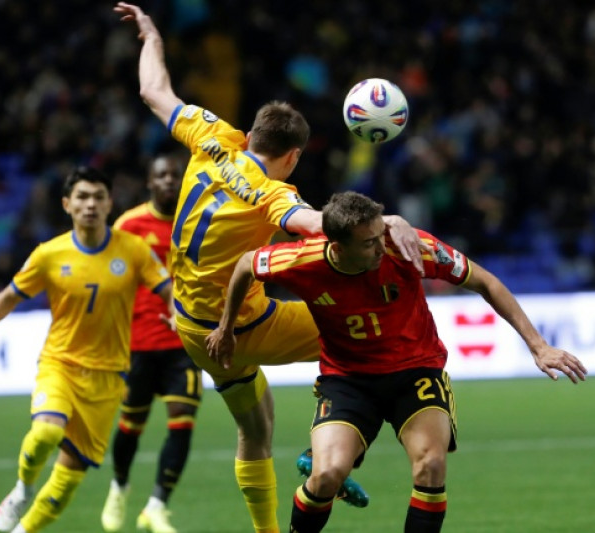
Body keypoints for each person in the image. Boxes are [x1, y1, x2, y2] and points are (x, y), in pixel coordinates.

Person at [115, 4, 431, 532]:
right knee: (364, 334)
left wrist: (151, 35)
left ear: (253, 132)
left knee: (256, 430)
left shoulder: (210, 135)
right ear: (293, 155)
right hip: (240, 326)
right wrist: (385, 218)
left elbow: (153, 90)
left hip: (193, 326)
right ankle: (333, 451)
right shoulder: (270, 192)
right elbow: (318, 223)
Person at [205, 191, 587, 533]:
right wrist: (226, 328)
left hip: (416, 371)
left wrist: (538, 346)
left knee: (431, 465)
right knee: (326, 475)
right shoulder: (302, 261)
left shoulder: (409, 247)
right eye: (369, 243)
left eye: (380, 234)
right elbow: (245, 264)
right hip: (349, 379)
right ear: (336, 247)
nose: (381, 246)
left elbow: (485, 281)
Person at [0, 167, 173, 533]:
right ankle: (23, 488)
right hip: (61, 364)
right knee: (47, 432)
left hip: (109, 377)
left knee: (69, 477)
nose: (91, 205)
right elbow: (7, 298)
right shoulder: (49, 255)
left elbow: (168, 292)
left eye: (99, 197)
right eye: (82, 197)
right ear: (67, 204)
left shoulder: (133, 251)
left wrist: (178, 315)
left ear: (110, 203)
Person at [100, 155, 199, 533]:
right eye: (162, 175)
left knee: (183, 422)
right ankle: (119, 486)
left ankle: (157, 505)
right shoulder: (130, 225)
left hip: (184, 342)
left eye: (175, 175)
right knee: (131, 425)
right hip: (138, 343)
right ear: (149, 182)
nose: (169, 181)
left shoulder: (196, 223)